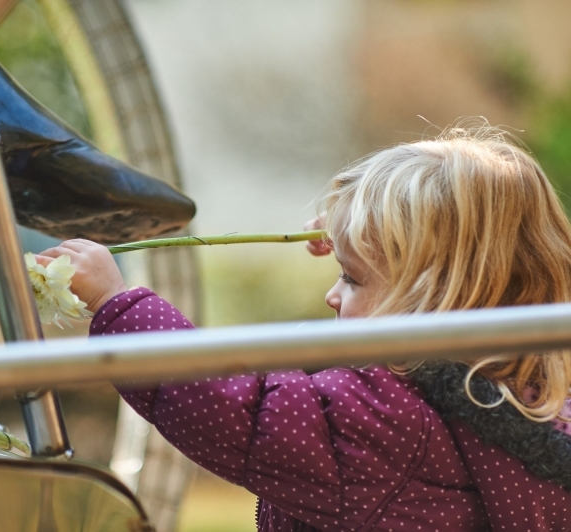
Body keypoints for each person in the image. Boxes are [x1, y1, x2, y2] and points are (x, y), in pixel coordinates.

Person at [36, 126, 571, 531]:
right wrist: (351, 234)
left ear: (432, 298)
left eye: (351, 277)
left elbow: (233, 406)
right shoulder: (531, 402)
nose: (331, 295)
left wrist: (118, 303)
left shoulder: (385, 426)